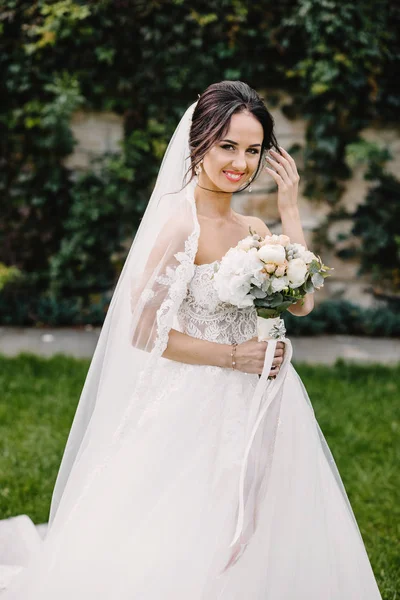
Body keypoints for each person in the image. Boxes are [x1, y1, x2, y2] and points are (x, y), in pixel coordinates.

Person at [0, 81, 382, 599]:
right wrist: (233, 356)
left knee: (270, 520)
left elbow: (302, 303)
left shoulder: (252, 227)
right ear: (198, 141)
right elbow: (144, 333)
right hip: (196, 399)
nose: (240, 163)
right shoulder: (180, 227)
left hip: (267, 402)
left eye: (252, 150)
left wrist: (290, 210)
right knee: (191, 524)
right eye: (227, 145)